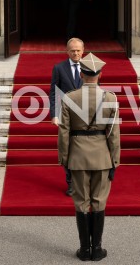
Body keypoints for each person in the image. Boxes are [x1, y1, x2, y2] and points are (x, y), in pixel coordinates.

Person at [58, 53, 120, 261]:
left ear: (82, 75)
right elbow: (113, 134)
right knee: (99, 201)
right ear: (100, 74)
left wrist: (64, 158)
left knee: (81, 202)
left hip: (77, 155)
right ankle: (97, 249)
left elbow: (64, 131)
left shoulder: (70, 97)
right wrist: (115, 160)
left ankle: (84, 249)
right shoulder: (110, 98)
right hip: (102, 156)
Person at [50, 37, 84, 196]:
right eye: (72, 50)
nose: (75, 53)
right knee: (68, 151)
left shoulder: (90, 66)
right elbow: (53, 93)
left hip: (86, 118)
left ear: (83, 51)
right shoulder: (59, 68)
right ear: (67, 51)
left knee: (84, 151)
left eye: (78, 50)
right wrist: (54, 114)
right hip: (66, 116)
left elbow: (97, 92)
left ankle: (83, 183)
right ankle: (70, 184)